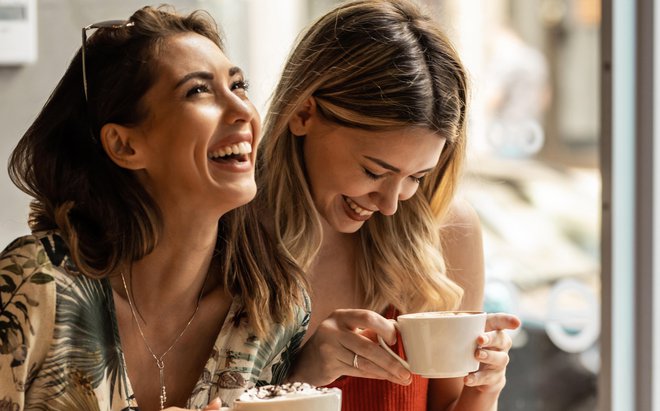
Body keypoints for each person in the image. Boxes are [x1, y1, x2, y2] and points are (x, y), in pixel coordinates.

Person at [0, 5, 308, 411]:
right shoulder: (34, 287)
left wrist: (313, 370)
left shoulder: (270, 309)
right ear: (124, 145)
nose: (243, 111)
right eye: (198, 90)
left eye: (238, 85)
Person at [251, 0, 521, 410]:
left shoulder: (445, 232)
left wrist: (484, 388)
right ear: (304, 113)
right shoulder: (230, 229)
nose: (392, 204)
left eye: (416, 177)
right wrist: (300, 379)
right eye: (375, 171)